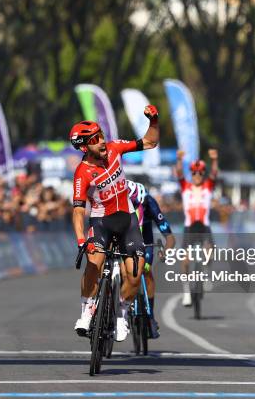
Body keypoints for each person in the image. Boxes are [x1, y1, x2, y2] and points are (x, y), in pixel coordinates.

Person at [70, 104, 160, 341]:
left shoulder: (114, 149)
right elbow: (78, 210)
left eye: (100, 135)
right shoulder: (82, 173)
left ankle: (122, 314)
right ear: (84, 146)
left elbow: (150, 142)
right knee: (94, 263)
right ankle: (86, 312)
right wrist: (81, 240)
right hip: (101, 222)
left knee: (135, 272)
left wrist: (154, 121)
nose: (101, 141)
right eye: (94, 139)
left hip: (127, 219)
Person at [127, 180, 176, 338]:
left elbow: (169, 236)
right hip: (126, 236)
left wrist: (165, 252)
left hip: (145, 239)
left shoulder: (151, 204)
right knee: (123, 271)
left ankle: (151, 317)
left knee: (146, 272)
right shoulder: (123, 202)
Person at [174, 148, 219, 306]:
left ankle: (206, 274)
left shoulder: (208, 186)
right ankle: (186, 291)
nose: (197, 175)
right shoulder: (185, 186)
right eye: (194, 173)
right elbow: (179, 173)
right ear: (191, 174)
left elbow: (214, 173)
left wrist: (214, 159)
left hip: (204, 226)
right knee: (185, 259)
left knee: (210, 250)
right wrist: (179, 159)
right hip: (189, 227)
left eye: (200, 173)